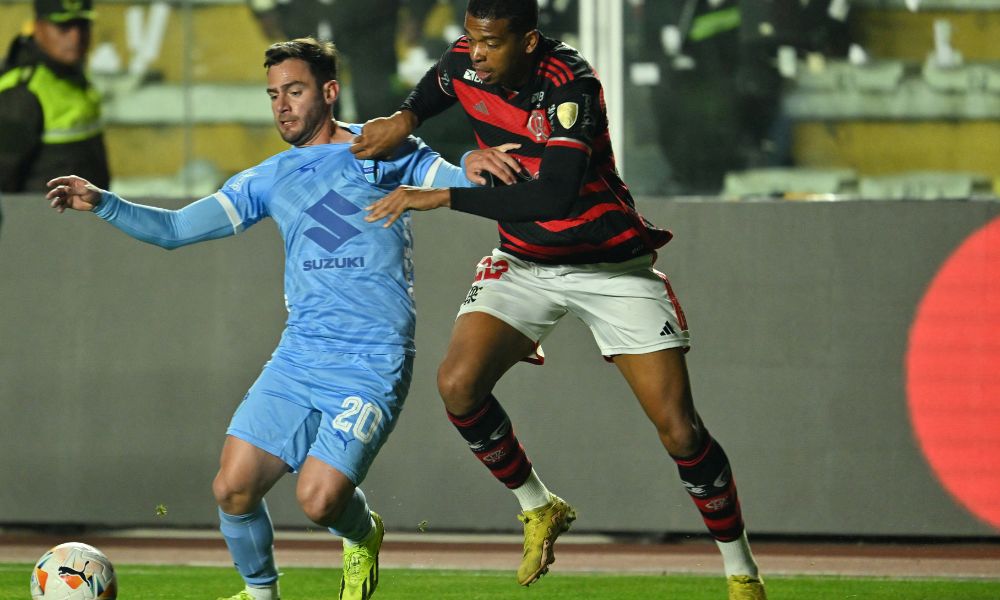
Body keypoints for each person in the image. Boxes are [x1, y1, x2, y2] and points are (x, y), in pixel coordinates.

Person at [44, 37, 492, 600]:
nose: (282, 104)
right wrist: (104, 202)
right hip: (301, 355)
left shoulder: (380, 147)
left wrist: (473, 166)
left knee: (319, 500)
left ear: (329, 92)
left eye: (295, 91)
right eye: (273, 94)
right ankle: (262, 595)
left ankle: (362, 532)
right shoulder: (269, 177)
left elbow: (455, 182)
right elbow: (178, 230)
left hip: (371, 359)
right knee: (232, 488)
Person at [353, 1, 767, 598]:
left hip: (609, 267)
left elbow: (553, 197)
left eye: (492, 42)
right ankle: (538, 506)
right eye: (471, 38)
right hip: (524, 264)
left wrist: (442, 197)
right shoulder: (467, 63)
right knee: (457, 384)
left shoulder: (571, 85)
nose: (478, 52)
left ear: (528, 41)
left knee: (680, 432)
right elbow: (441, 81)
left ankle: (740, 570)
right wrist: (404, 116)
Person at [0, 0, 109, 194]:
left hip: (83, 219)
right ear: (38, 27)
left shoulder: (73, 76)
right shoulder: (22, 92)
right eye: (63, 26)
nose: (76, 37)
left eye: (82, 25)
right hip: (42, 220)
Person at [246, 0, 404, 122]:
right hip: (303, 14)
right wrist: (264, 8)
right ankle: (324, 157)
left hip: (370, 17)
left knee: (375, 97)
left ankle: (379, 155)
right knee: (315, 100)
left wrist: (416, 12)